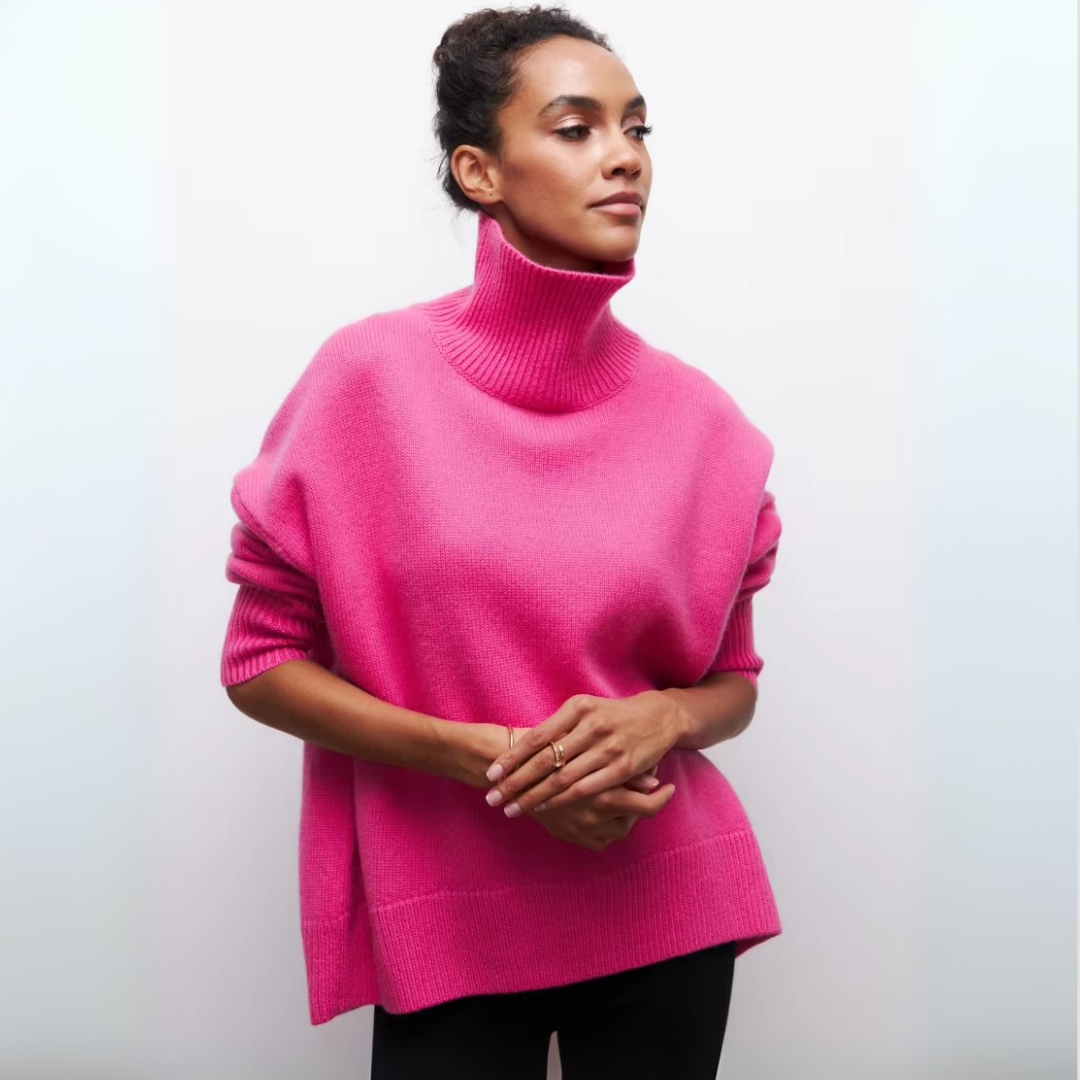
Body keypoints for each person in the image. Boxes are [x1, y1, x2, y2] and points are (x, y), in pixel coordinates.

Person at [220, 5, 784, 1077]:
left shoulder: (707, 424)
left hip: (668, 901)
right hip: (452, 910)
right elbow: (259, 664)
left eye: (637, 128)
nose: (624, 157)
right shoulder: (367, 382)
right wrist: (485, 758)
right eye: (576, 129)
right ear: (478, 172)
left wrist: (666, 716)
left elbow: (733, 685)